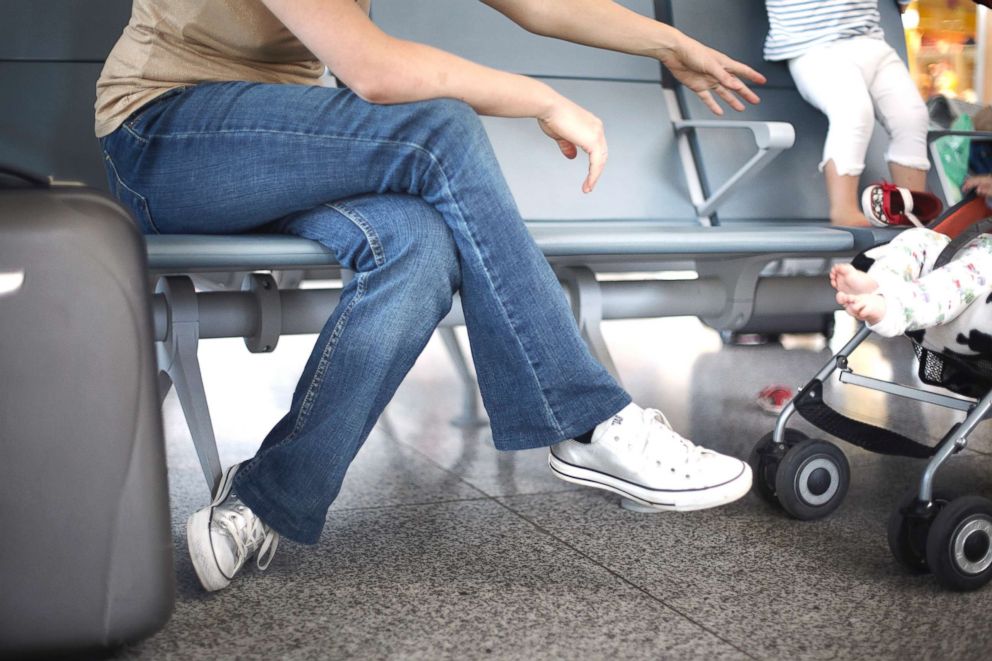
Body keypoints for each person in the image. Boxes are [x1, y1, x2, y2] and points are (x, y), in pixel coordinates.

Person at [96, 0, 767, 592]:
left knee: (417, 245)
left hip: (283, 145)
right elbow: (373, 69)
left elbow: (539, 2)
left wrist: (670, 43)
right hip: (166, 134)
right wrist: (541, 96)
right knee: (439, 127)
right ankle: (591, 418)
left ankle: (266, 497)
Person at [764, 0, 932, 227]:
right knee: (853, 112)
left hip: (871, 40)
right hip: (811, 46)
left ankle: (911, 210)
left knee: (912, 117)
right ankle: (844, 211)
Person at [830, 226, 992, 337]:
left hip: (979, 274)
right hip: (975, 246)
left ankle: (893, 310)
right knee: (920, 237)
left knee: (962, 276)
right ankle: (880, 282)